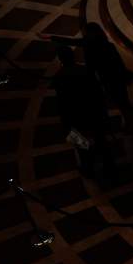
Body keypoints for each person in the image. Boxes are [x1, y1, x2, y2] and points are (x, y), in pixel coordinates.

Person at [51, 45, 114, 179]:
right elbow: (98, 93)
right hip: (94, 111)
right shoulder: (86, 70)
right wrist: (104, 112)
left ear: (60, 59)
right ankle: (109, 167)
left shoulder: (59, 77)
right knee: (101, 140)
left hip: (76, 116)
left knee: (82, 145)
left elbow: (62, 102)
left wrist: (65, 123)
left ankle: (88, 169)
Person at [48, 23, 130, 116]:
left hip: (106, 77)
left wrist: (51, 37)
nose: (83, 34)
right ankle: (130, 120)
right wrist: (125, 77)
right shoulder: (108, 45)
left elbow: (71, 41)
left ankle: (129, 120)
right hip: (115, 77)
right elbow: (118, 63)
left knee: (118, 100)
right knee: (123, 100)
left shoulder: (88, 44)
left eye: (85, 32)